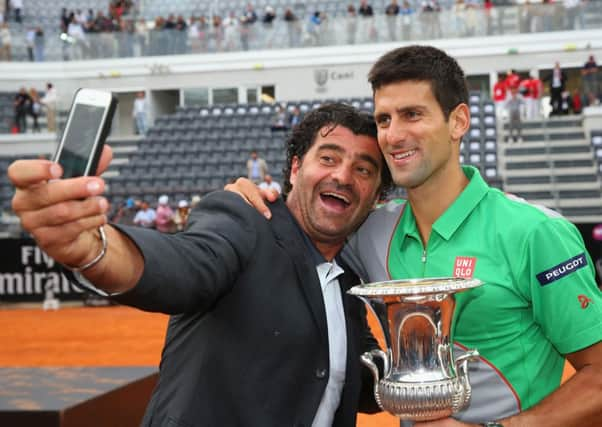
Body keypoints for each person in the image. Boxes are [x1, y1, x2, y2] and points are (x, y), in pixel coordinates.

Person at [230, 45, 602, 427]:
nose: (393, 135)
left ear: (458, 122)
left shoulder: (536, 233)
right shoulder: (368, 231)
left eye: (412, 115)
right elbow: (301, 225)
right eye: (384, 119)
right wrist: (251, 203)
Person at [8, 103, 395, 426]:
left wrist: (415, 357)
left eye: (363, 169)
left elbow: (356, 374)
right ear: (295, 169)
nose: (343, 175)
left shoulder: (348, 276)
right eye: (328, 158)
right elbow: (182, 267)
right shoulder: (244, 221)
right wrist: (92, 248)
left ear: (376, 195)